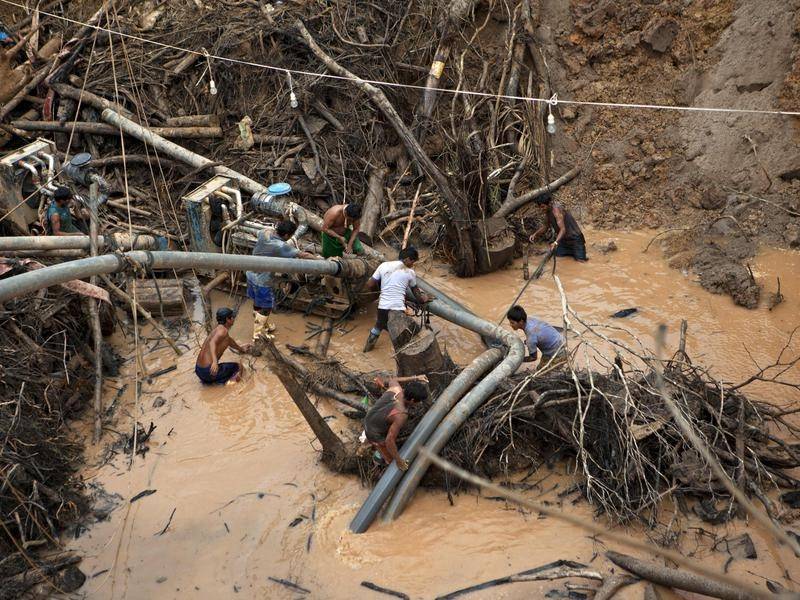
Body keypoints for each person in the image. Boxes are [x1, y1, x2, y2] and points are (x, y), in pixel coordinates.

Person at [246, 220, 317, 338]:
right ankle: (257, 334)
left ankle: (263, 325)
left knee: (258, 302)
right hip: (262, 280)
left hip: (250, 272)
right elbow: (302, 255)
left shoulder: (265, 232)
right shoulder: (280, 246)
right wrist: (321, 260)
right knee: (267, 306)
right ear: (286, 235)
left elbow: (258, 234)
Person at [362, 246, 429, 353]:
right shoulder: (410, 273)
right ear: (407, 259)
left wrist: (382, 290)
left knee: (378, 326)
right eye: (412, 262)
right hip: (398, 308)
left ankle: (366, 351)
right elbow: (417, 294)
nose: (412, 265)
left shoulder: (383, 265)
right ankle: (404, 355)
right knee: (402, 332)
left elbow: (369, 284)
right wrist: (425, 298)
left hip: (382, 306)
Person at [364, 374, 429, 470]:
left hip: (369, 418)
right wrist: (399, 461)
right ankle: (378, 460)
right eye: (418, 401)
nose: (419, 403)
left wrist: (415, 378)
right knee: (390, 460)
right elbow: (389, 441)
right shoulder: (401, 415)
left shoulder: (396, 388)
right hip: (373, 433)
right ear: (412, 400)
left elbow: (392, 379)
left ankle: (369, 444)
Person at [195, 308, 251, 384]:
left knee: (227, 341)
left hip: (199, 370)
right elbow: (212, 343)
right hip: (207, 371)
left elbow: (229, 341)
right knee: (239, 367)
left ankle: (212, 381)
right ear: (228, 319)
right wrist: (214, 362)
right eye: (232, 317)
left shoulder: (218, 329)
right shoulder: (223, 331)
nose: (233, 319)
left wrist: (241, 348)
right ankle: (230, 383)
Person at [528, 192, 587, 262]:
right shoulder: (547, 212)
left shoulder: (556, 210)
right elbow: (545, 226)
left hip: (575, 239)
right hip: (564, 241)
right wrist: (535, 234)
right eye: (540, 207)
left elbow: (563, 229)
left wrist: (555, 242)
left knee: (580, 262)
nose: (541, 209)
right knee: (556, 255)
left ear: (549, 203)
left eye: (543, 206)